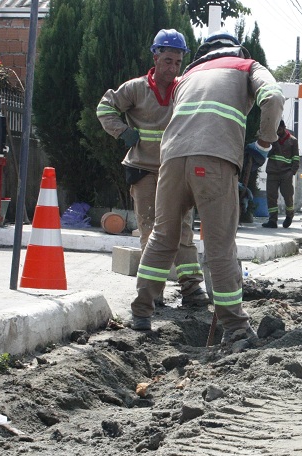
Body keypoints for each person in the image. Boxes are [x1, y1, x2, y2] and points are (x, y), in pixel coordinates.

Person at [130, 30, 284, 342]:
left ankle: (141, 312)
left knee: (162, 236)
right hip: (214, 161)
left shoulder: (187, 76)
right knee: (220, 245)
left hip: (171, 160)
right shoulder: (247, 67)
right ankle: (235, 327)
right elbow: (274, 98)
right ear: (237, 51)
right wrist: (263, 144)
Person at [97, 29, 208, 308]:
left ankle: (192, 287)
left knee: (183, 231)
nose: (173, 68)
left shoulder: (184, 89)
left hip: (176, 171)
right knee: (150, 232)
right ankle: (152, 292)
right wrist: (122, 131)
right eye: (168, 61)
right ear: (155, 58)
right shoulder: (135, 89)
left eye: (178, 62)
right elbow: (105, 108)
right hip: (144, 170)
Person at [262, 120, 299, 229]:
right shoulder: (272, 139)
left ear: (284, 128)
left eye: (279, 129)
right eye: (276, 130)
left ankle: (289, 216)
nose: (277, 132)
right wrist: (272, 143)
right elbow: (267, 153)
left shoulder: (293, 141)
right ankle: (272, 220)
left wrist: (292, 172)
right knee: (271, 197)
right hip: (272, 172)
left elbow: (296, 158)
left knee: (288, 196)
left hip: (286, 173)